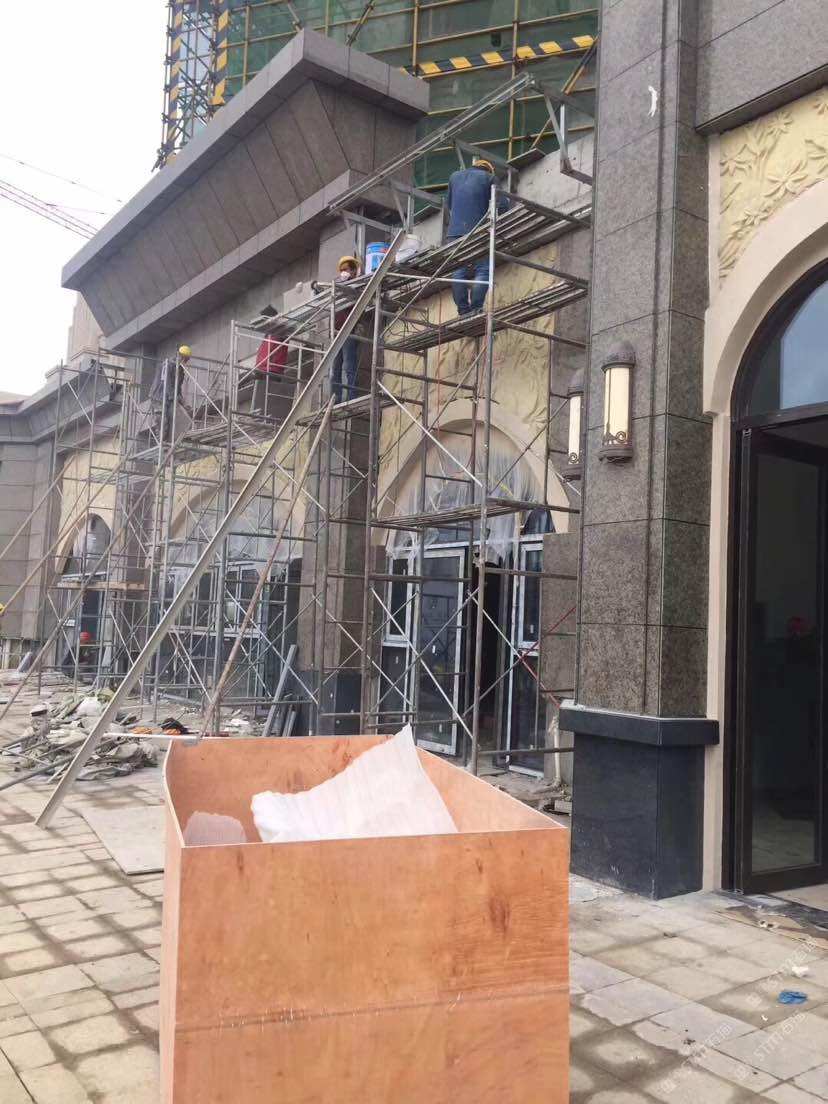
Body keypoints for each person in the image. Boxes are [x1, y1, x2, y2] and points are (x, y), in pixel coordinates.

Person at [445, 158, 509, 316]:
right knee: (483, 269)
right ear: (489, 170)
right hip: (478, 230)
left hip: (455, 232)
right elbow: (502, 205)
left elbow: (449, 205)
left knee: (458, 271)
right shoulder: (490, 178)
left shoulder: (454, 177)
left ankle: (463, 310)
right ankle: (475, 308)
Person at [331, 256, 361, 404]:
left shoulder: (355, 286)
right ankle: (335, 398)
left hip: (349, 331)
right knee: (335, 368)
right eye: (341, 270)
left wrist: (348, 281)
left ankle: (352, 397)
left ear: (353, 271)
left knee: (349, 366)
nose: (343, 272)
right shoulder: (337, 287)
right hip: (336, 332)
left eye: (346, 269)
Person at [150, 345, 192, 440]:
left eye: (186, 360)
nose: (185, 361)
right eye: (184, 358)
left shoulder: (180, 370)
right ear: (179, 355)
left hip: (169, 398)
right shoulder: (168, 365)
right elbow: (167, 383)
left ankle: (165, 442)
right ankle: (160, 443)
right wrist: (175, 397)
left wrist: (181, 400)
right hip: (159, 397)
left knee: (172, 421)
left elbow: (178, 387)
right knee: (162, 422)